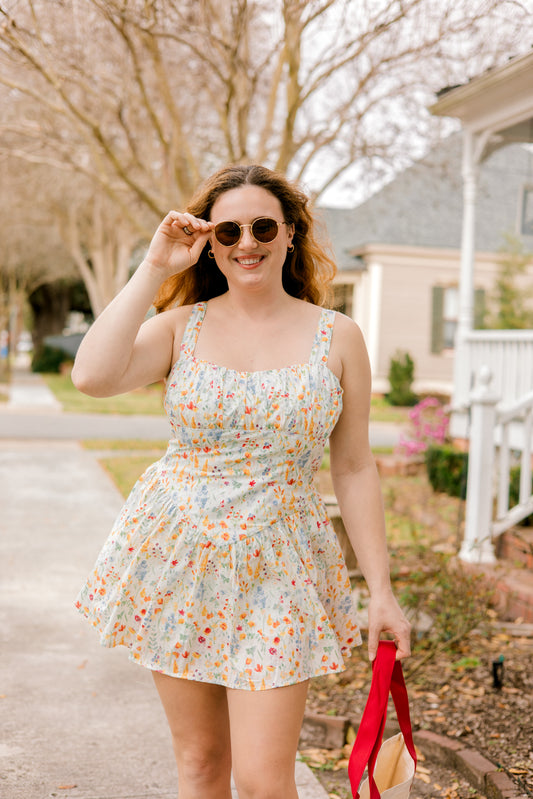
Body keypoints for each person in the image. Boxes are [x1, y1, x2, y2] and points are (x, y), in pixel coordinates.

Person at [72, 164, 411, 799]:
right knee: (201, 763)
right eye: (228, 231)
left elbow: (353, 465)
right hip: (179, 555)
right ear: (210, 242)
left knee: (262, 779)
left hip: (281, 560)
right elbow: (91, 377)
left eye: (263, 227)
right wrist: (155, 266)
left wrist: (382, 591)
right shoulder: (183, 326)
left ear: (291, 233)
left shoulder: (339, 337)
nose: (246, 242)